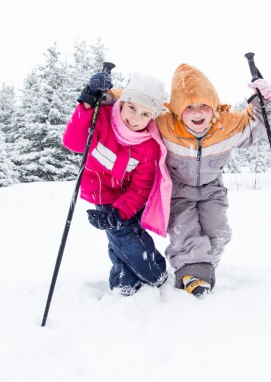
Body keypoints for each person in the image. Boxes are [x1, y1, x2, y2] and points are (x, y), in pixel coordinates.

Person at [156, 63, 271, 298]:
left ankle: (203, 266)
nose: (198, 112)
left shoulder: (227, 125)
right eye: (189, 107)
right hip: (179, 189)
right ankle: (192, 273)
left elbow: (257, 125)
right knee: (184, 231)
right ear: (178, 110)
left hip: (212, 188)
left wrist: (264, 101)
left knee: (218, 232)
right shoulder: (165, 126)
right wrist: (109, 97)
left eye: (203, 105)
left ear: (213, 105)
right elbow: (133, 111)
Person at [62, 70, 172, 296]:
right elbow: (73, 143)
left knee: (123, 234)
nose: (136, 119)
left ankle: (153, 273)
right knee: (118, 237)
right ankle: (126, 279)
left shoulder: (149, 145)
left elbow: (141, 187)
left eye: (145, 114)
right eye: (132, 108)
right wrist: (86, 104)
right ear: (123, 102)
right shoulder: (101, 117)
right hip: (101, 193)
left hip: (130, 199)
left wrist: (120, 213)